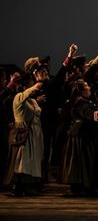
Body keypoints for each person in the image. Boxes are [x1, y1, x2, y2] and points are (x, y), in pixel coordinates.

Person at [60, 80, 98, 195]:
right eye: (86, 86)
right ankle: (81, 186)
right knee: (82, 161)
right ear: (80, 90)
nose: (89, 88)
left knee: (86, 161)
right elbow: (87, 112)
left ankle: (88, 185)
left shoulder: (86, 101)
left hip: (86, 135)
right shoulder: (79, 102)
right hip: (81, 136)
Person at [5, 68, 45, 197]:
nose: (31, 85)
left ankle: (25, 185)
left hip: (34, 134)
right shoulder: (18, 97)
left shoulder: (32, 101)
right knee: (21, 160)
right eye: (29, 83)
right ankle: (16, 185)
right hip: (23, 133)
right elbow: (28, 92)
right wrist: (37, 84)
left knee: (29, 161)